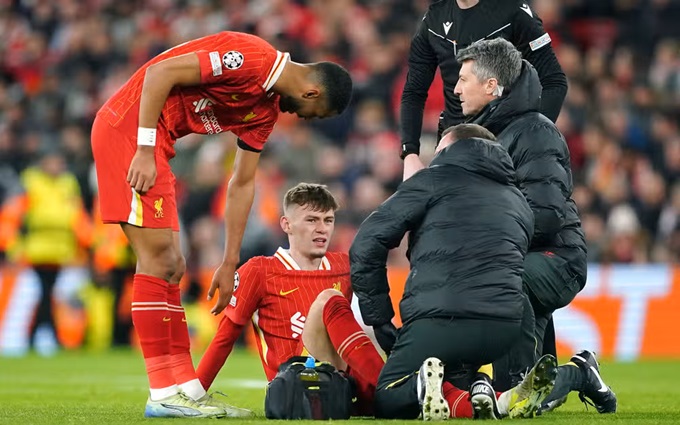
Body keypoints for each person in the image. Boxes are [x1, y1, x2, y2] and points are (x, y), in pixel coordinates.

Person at [90, 31, 352, 418]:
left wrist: (230, 261)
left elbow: (242, 183)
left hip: (158, 143)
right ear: (312, 92)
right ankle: (162, 393)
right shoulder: (252, 59)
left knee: (174, 266)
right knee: (159, 260)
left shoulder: (264, 111)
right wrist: (144, 149)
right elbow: (160, 73)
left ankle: (185, 390)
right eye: (315, 113)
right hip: (129, 133)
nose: (305, 118)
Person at [452, 38, 616, 413]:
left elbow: (546, 214)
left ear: (491, 85)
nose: (456, 89)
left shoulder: (534, 132)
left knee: (516, 392)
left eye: (463, 79)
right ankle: (578, 373)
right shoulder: (484, 135)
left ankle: (532, 381)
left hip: (555, 258)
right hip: (520, 259)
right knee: (531, 399)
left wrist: (486, 245)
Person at [350, 123, 554, 420]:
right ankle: (487, 387)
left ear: (449, 148)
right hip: (504, 328)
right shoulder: (518, 200)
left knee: (388, 397)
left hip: (442, 319)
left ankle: (420, 384)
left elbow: (367, 243)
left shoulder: (431, 180)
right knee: (455, 383)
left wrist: (379, 318)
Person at [195, 183, 382, 416]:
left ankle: (390, 391)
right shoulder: (260, 271)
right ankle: (389, 387)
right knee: (329, 300)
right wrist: (195, 394)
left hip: (342, 384)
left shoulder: (344, 265)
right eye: (311, 220)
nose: (322, 229)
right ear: (286, 224)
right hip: (295, 388)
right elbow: (224, 338)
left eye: (328, 220)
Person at [400, 0, 567, 182]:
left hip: (504, 150)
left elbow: (554, 82)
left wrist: (528, 138)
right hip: (452, 148)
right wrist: (410, 154)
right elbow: (413, 92)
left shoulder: (514, 11)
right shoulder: (434, 18)